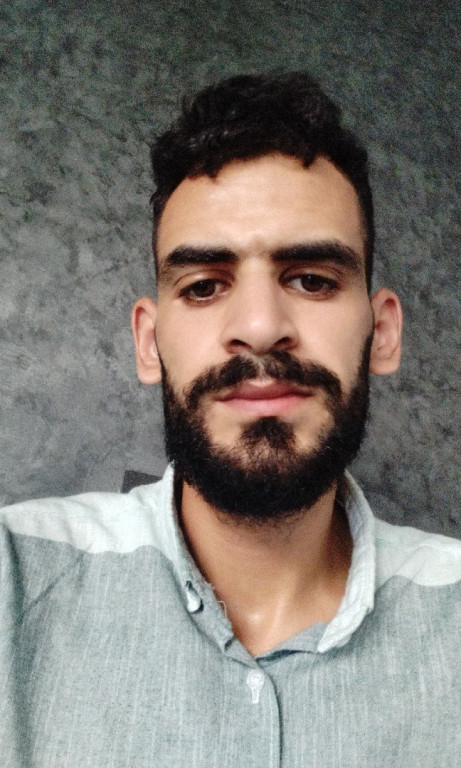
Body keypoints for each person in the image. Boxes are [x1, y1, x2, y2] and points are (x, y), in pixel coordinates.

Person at [1, 72, 459, 768]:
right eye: (204, 286)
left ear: (384, 332)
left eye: (312, 279)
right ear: (149, 343)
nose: (260, 327)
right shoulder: (16, 585)